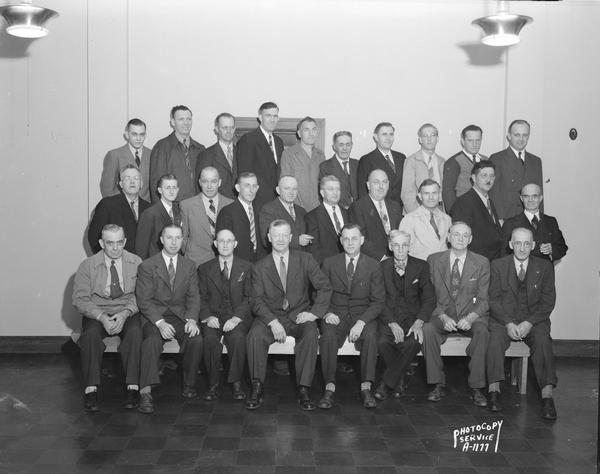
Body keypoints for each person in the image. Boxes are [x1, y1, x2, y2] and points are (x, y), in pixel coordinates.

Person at [246, 220, 332, 411]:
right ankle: (257, 386)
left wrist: (314, 314)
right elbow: (256, 301)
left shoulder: (305, 259)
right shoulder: (259, 266)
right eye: (276, 235)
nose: (281, 239)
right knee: (255, 336)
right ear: (269, 238)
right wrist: (273, 321)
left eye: (285, 235)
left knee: (310, 334)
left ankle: (304, 389)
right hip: (271, 316)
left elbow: (325, 287)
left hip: (299, 316)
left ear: (291, 238)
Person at [486, 228, 557, 419]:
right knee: (493, 341)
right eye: (518, 243)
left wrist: (529, 322)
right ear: (510, 245)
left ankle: (547, 396)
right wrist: (508, 323)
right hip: (504, 319)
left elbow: (548, 301)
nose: (522, 248)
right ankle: (494, 391)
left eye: (527, 243)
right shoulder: (498, 265)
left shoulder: (545, 266)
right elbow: (493, 300)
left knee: (543, 341)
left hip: (534, 320)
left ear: (533, 245)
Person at [73, 224, 143, 412]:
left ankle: (133, 386)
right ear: (101, 243)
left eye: (120, 242)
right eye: (110, 243)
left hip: (127, 309)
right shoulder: (87, 265)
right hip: (98, 311)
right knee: (89, 337)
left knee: (136, 333)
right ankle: (91, 388)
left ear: (125, 241)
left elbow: (142, 295)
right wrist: (101, 316)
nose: (115, 247)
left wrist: (126, 313)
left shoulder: (136, 262)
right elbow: (80, 299)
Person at [136, 225, 203, 413]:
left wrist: (191, 319)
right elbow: (144, 300)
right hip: (154, 317)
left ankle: (189, 384)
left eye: (178, 238)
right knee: (151, 342)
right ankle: (146, 391)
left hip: (180, 316)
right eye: (169, 238)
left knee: (196, 339)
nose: (174, 242)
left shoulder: (189, 265)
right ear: (161, 240)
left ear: (182, 240)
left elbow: (193, 297)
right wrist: (160, 323)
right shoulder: (147, 266)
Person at [423, 222, 490, 406]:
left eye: (465, 235)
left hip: (471, 315)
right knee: (428, 329)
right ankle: (436, 383)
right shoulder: (434, 260)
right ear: (448, 237)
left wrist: (471, 317)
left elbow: (484, 299)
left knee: (482, 332)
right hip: (442, 313)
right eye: (456, 234)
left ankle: (476, 387)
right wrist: (442, 316)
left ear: (470, 239)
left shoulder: (481, 262)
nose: (460, 239)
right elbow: (428, 296)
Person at [319, 224, 384, 409]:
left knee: (371, 335)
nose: (349, 242)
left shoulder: (373, 265)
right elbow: (319, 294)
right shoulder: (329, 263)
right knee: (328, 336)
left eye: (354, 238)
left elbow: (378, 301)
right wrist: (327, 312)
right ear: (340, 241)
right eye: (345, 238)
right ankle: (329, 387)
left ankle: (366, 387)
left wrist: (362, 322)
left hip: (363, 315)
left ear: (362, 240)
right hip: (336, 314)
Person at [375, 230, 435, 400]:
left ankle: (386, 382)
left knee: (414, 341)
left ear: (410, 246)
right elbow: (379, 299)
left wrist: (419, 322)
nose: (400, 249)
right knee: (382, 342)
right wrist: (392, 323)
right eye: (396, 245)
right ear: (390, 246)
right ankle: (399, 378)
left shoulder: (421, 266)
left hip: (412, 319)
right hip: (389, 318)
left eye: (404, 245)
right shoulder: (381, 267)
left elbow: (430, 298)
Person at [198, 229, 252, 401]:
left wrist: (237, 318)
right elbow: (200, 297)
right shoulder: (205, 268)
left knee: (237, 339)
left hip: (236, 316)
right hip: (214, 316)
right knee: (210, 340)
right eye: (221, 241)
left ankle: (236, 382)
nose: (225, 244)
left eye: (229, 241)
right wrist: (207, 316)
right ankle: (213, 384)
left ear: (235, 244)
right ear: (215, 244)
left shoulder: (247, 267)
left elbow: (250, 297)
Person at [88, 165, 150, 255]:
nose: (132, 181)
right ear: (121, 184)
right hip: (116, 262)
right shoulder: (107, 204)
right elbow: (94, 237)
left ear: (141, 183)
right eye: (127, 178)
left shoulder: (149, 208)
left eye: (136, 178)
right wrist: (106, 260)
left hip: (143, 264)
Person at [489, 120, 544, 220]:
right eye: (517, 135)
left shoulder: (536, 161)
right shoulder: (497, 159)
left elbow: (539, 193)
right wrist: (499, 219)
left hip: (529, 218)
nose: (521, 139)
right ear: (509, 136)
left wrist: (540, 218)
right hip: (505, 218)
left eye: (525, 135)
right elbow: (494, 193)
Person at [149, 105, 205, 202]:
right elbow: (156, 184)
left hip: (196, 207)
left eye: (189, 119)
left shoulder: (200, 149)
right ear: (172, 122)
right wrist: (161, 212)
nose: (186, 123)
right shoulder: (162, 147)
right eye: (181, 119)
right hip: (173, 207)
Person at [236, 102, 284, 211]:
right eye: (268, 116)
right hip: (256, 202)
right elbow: (244, 174)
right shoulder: (248, 140)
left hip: (277, 202)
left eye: (275, 116)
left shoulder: (279, 142)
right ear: (260, 117)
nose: (272, 119)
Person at [450, 161, 503, 261]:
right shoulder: (463, 203)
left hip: (492, 261)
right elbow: (463, 240)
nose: (489, 180)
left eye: (492, 176)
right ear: (474, 178)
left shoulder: (488, 200)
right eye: (484, 175)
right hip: (476, 263)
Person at [501, 183, 568, 262]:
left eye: (534, 196)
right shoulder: (510, 224)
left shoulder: (551, 221)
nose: (530, 200)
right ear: (521, 198)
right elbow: (504, 254)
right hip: (521, 273)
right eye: (526, 196)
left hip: (546, 272)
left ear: (541, 198)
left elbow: (562, 247)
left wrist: (552, 249)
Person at [180, 166, 233, 267]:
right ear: (199, 182)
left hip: (224, 262)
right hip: (196, 263)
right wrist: (190, 253)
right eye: (205, 181)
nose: (209, 186)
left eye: (213, 181)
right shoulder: (186, 205)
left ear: (220, 182)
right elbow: (183, 237)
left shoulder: (230, 204)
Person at [350, 169, 402, 261]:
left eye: (384, 182)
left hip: (397, 259)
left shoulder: (396, 206)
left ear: (388, 185)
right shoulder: (358, 207)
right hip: (372, 262)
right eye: (376, 182)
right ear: (368, 185)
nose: (381, 186)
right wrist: (382, 258)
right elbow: (360, 239)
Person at [216, 172, 266, 263]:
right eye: (247, 186)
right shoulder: (227, 212)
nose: (251, 190)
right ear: (238, 188)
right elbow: (223, 246)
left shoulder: (262, 210)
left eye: (254, 186)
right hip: (238, 264)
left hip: (260, 262)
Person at [280, 116, 326, 212]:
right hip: (296, 209)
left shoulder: (320, 155)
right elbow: (285, 184)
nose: (311, 133)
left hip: (318, 209)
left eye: (314, 129)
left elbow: (323, 183)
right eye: (306, 130)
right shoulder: (288, 154)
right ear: (299, 133)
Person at [100, 118, 151, 202]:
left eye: (141, 134)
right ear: (127, 135)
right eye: (134, 134)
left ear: (145, 135)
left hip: (146, 209)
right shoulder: (114, 155)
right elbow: (107, 189)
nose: (138, 138)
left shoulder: (152, 154)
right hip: (120, 208)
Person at [399, 179, 451, 260]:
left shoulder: (447, 219)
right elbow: (403, 250)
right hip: (421, 269)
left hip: (443, 268)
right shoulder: (409, 219)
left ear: (440, 195)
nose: (431, 197)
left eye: (434, 193)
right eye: (426, 193)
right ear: (420, 196)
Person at [357, 122, 406, 207]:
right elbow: (362, 191)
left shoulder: (401, 158)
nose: (388, 138)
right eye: (384, 134)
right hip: (378, 209)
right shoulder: (366, 160)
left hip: (399, 210)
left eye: (391, 134)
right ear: (376, 137)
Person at [258, 175, 312, 251]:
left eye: (294, 189)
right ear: (278, 190)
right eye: (287, 188)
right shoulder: (268, 210)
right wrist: (297, 240)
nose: (291, 192)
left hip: (302, 259)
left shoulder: (302, 211)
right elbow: (266, 240)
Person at [442, 124, 488, 212]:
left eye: (477, 140)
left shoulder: (486, 160)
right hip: (464, 209)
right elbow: (448, 192)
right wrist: (454, 213)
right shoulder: (453, 161)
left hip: (483, 209)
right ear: (463, 141)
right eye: (470, 140)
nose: (475, 144)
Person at [135, 174, 182, 259]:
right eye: (167, 188)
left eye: (174, 188)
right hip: (156, 265)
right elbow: (141, 248)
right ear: (160, 190)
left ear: (178, 189)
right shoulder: (149, 214)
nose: (172, 191)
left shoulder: (179, 211)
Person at [401, 123, 445, 214]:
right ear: (420, 140)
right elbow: (407, 193)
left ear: (437, 139)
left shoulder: (442, 161)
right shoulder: (411, 161)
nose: (429, 139)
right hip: (417, 212)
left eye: (433, 135)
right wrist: (418, 216)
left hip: (439, 211)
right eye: (425, 136)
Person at [305, 175, 348, 263]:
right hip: (327, 267)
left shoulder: (348, 213)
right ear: (322, 193)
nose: (335, 193)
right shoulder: (312, 217)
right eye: (331, 189)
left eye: (337, 189)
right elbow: (314, 250)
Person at [195, 113, 237, 199]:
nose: (228, 131)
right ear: (217, 129)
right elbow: (200, 186)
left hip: (238, 206)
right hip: (217, 207)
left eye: (231, 127)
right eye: (225, 128)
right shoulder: (206, 154)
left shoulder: (242, 152)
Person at [318, 131, 359, 210]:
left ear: (352, 146)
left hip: (357, 211)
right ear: (334, 147)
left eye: (348, 144)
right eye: (341, 145)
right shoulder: (325, 167)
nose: (345, 148)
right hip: (337, 211)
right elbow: (323, 195)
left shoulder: (358, 164)